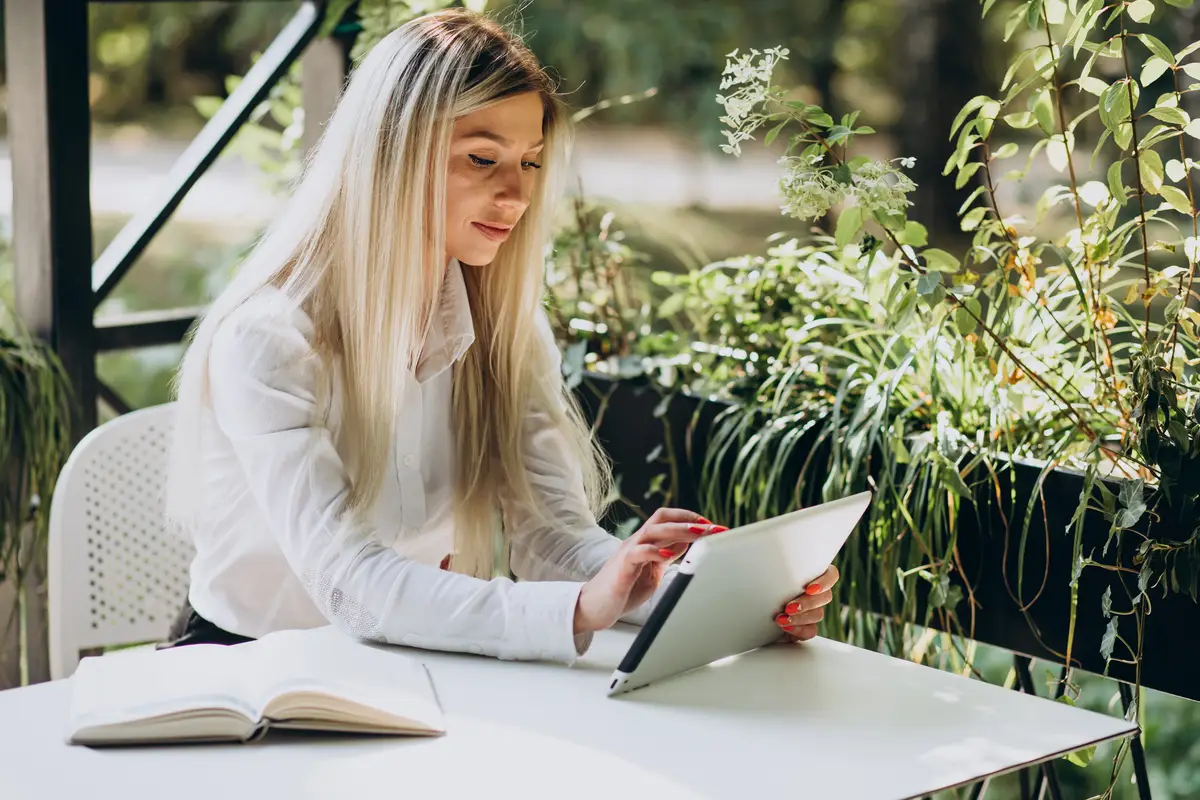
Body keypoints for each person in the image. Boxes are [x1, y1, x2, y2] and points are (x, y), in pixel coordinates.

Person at [161, 8, 837, 661]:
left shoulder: (503, 326)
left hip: (411, 663)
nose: (516, 194)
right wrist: (576, 610)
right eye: (482, 159)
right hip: (247, 678)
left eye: (531, 162)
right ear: (390, 157)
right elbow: (350, 582)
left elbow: (551, 536)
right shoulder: (270, 339)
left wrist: (689, 588)